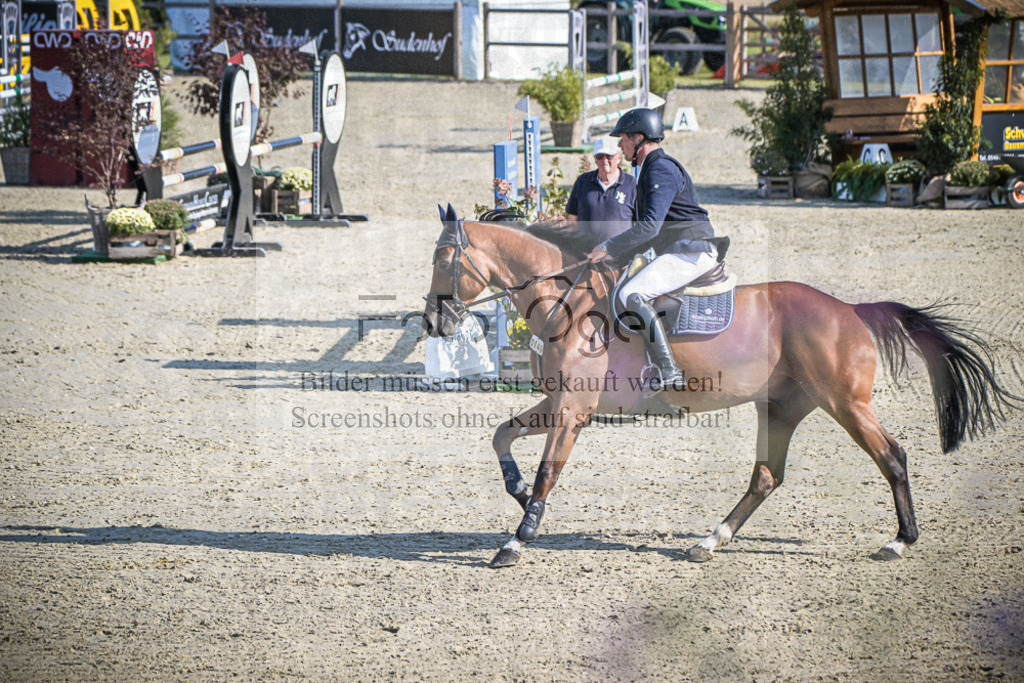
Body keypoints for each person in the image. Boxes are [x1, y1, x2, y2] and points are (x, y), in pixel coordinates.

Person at [585, 107, 718, 390]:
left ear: (639, 138)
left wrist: (608, 245)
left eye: (623, 138)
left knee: (632, 293)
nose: (620, 144)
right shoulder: (649, 169)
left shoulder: (661, 168)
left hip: (689, 249)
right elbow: (645, 234)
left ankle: (669, 371)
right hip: (677, 249)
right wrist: (613, 257)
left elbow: (650, 227)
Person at [565, 136, 636, 248]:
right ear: (594, 159)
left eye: (609, 156)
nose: (604, 160)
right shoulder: (582, 182)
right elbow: (573, 219)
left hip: (620, 258)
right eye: (599, 156)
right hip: (586, 257)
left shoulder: (632, 184)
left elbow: (641, 226)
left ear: (619, 157)